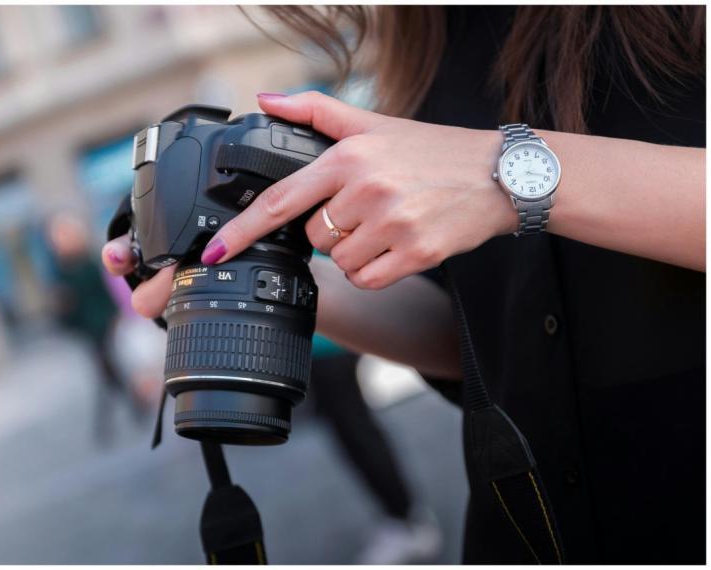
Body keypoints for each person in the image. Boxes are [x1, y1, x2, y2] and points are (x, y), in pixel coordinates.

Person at [103, 6, 704, 563]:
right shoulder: (429, 37)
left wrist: (503, 176)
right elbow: (477, 334)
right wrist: (265, 267)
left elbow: (489, 186)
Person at [310, 335, 442, 564]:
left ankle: (406, 520)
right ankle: (404, 517)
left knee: (354, 429)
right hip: (320, 340)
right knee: (351, 426)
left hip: (324, 341)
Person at [46, 213, 145, 445]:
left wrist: (117, 315)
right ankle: (134, 406)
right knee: (108, 375)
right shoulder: (60, 269)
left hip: (106, 324)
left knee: (107, 374)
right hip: (88, 330)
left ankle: (107, 425)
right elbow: (63, 308)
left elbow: (107, 291)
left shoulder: (90, 260)